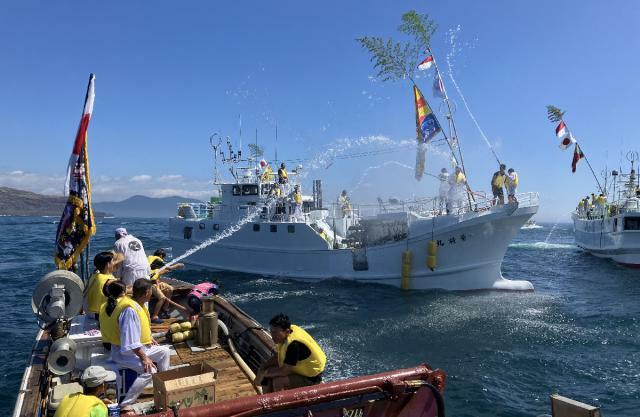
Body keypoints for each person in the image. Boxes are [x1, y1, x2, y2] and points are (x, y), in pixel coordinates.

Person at [99, 279, 170, 408]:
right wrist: (144, 358)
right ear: (147, 292)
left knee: (164, 352)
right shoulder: (129, 310)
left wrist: (149, 338)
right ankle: (126, 404)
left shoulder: (136, 304)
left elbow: (139, 329)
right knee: (150, 370)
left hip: (138, 347)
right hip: (124, 352)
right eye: (151, 291)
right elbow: (129, 341)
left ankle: (164, 387)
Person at [254, 313, 326, 393]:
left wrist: (264, 373)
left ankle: (282, 404)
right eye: (271, 331)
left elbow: (285, 371)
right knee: (267, 376)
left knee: (278, 381)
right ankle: (266, 399)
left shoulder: (294, 345)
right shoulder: (286, 335)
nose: (272, 335)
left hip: (311, 378)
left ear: (287, 331)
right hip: (299, 370)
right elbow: (281, 355)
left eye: (275, 332)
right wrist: (263, 367)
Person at [147, 249, 188, 323]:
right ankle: (154, 317)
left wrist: (166, 271)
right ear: (161, 256)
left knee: (170, 289)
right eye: (163, 258)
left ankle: (165, 309)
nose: (163, 259)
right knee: (162, 298)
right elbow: (170, 267)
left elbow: (157, 272)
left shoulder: (151, 260)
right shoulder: (158, 259)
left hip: (156, 282)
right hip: (150, 284)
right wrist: (178, 265)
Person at [84, 251, 123, 318]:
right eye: (113, 261)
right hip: (98, 314)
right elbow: (123, 290)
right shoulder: (108, 281)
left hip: (89, 312)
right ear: (108, 264)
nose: (114, 263)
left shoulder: (95, 274)